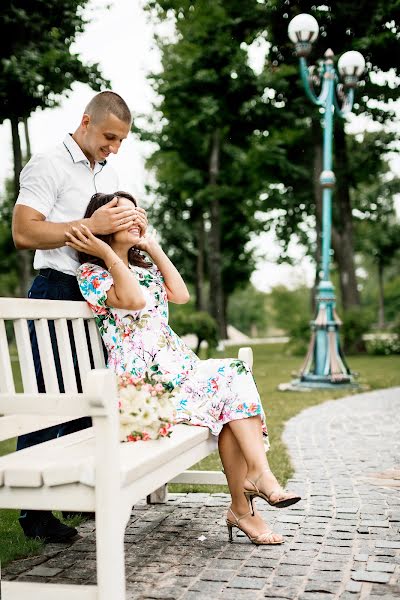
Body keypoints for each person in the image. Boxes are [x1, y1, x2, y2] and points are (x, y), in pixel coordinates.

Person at [67, 191, 301, 546]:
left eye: (138, 214)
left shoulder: (143, 268)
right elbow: (132, 300)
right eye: (124, 216)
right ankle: (247, 503)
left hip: (179, 372)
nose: (135, 220)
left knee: (233, 383)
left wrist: (151, 246)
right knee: (231, 396)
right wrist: (104, 252)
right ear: (104, 224)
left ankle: (256, 482)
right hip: (142, 389)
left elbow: (180, 294)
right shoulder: (92, 273)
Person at [12, 92, 148, 543]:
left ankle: (75, 495)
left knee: (88, 400)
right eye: (109, 137)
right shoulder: (48, 162)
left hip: (92, 293)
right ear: (86, 121)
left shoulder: (97, 169)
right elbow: (24, 230)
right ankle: (32, 513)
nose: (114, 148)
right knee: (50, 402)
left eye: (121, 141)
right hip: (55, 289)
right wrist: (97, 227)